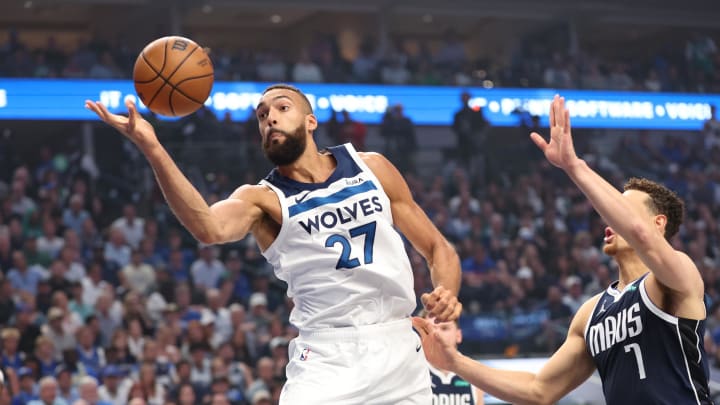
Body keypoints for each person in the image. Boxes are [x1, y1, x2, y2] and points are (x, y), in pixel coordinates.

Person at [85, 83, 462, 404]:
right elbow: (208, 228)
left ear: (311, 122)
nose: (270, 119)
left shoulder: (372, 167)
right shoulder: (261, 199)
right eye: (262, 115)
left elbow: (437, 248)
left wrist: (445, 293)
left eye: (282, 108)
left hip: (398, 346)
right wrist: (153, 147)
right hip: (328, 353)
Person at [414, 95, 714, 405]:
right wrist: (454, 363)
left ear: (658, 223)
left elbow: (639, 233)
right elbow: (539, 391)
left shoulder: (677, 275)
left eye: (621, 209)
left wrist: (574, 166)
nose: (607, 218)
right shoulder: (590, 314)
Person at [421, 311, 482, 405]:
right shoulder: (412, 372)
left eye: (444, 328)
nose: (437, 334)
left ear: (458, 335)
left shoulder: (474, 372)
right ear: (422, 336)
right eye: (430, 329)